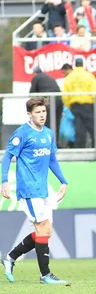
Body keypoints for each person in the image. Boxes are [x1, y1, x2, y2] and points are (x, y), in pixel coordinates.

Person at [1, 97, 68, 284]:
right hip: (28, 189)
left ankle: (10, 257)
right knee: (43, 228)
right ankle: (45, 275)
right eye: (38, 112)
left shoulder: (48, 134)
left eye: (44, 111)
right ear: (29, 114)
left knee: (45, 232)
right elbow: (7, 156)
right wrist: (4, 181)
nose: (42, 115)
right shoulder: (22, 133)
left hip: (43, 189)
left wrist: (63, 181)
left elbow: (52, 159)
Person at [62, 57, 96, 148]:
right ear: (82, 64)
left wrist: (69, 105)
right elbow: (95, 91)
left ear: (75, 65)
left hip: (75, 105)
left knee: (79, 128)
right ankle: (95, 146)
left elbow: (65, 94)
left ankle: (80, 148)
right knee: (92, 127)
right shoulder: (89, 76)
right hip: (87, 105)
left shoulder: (69, 77)